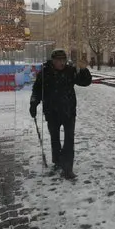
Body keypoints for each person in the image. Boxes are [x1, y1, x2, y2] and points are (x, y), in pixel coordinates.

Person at [30, 49, 92, 180]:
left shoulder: (70, 71)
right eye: (58, 60)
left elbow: (85, 82)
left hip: (68, 111)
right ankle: (57, 161)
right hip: (52, 112)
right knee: (55, 138)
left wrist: (84, 70)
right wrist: (33, 104)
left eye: (63, 60)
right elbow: (36, 90)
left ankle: (68, 168)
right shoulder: (45, 72)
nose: (61, 63)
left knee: (69, 139)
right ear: (53, 60)